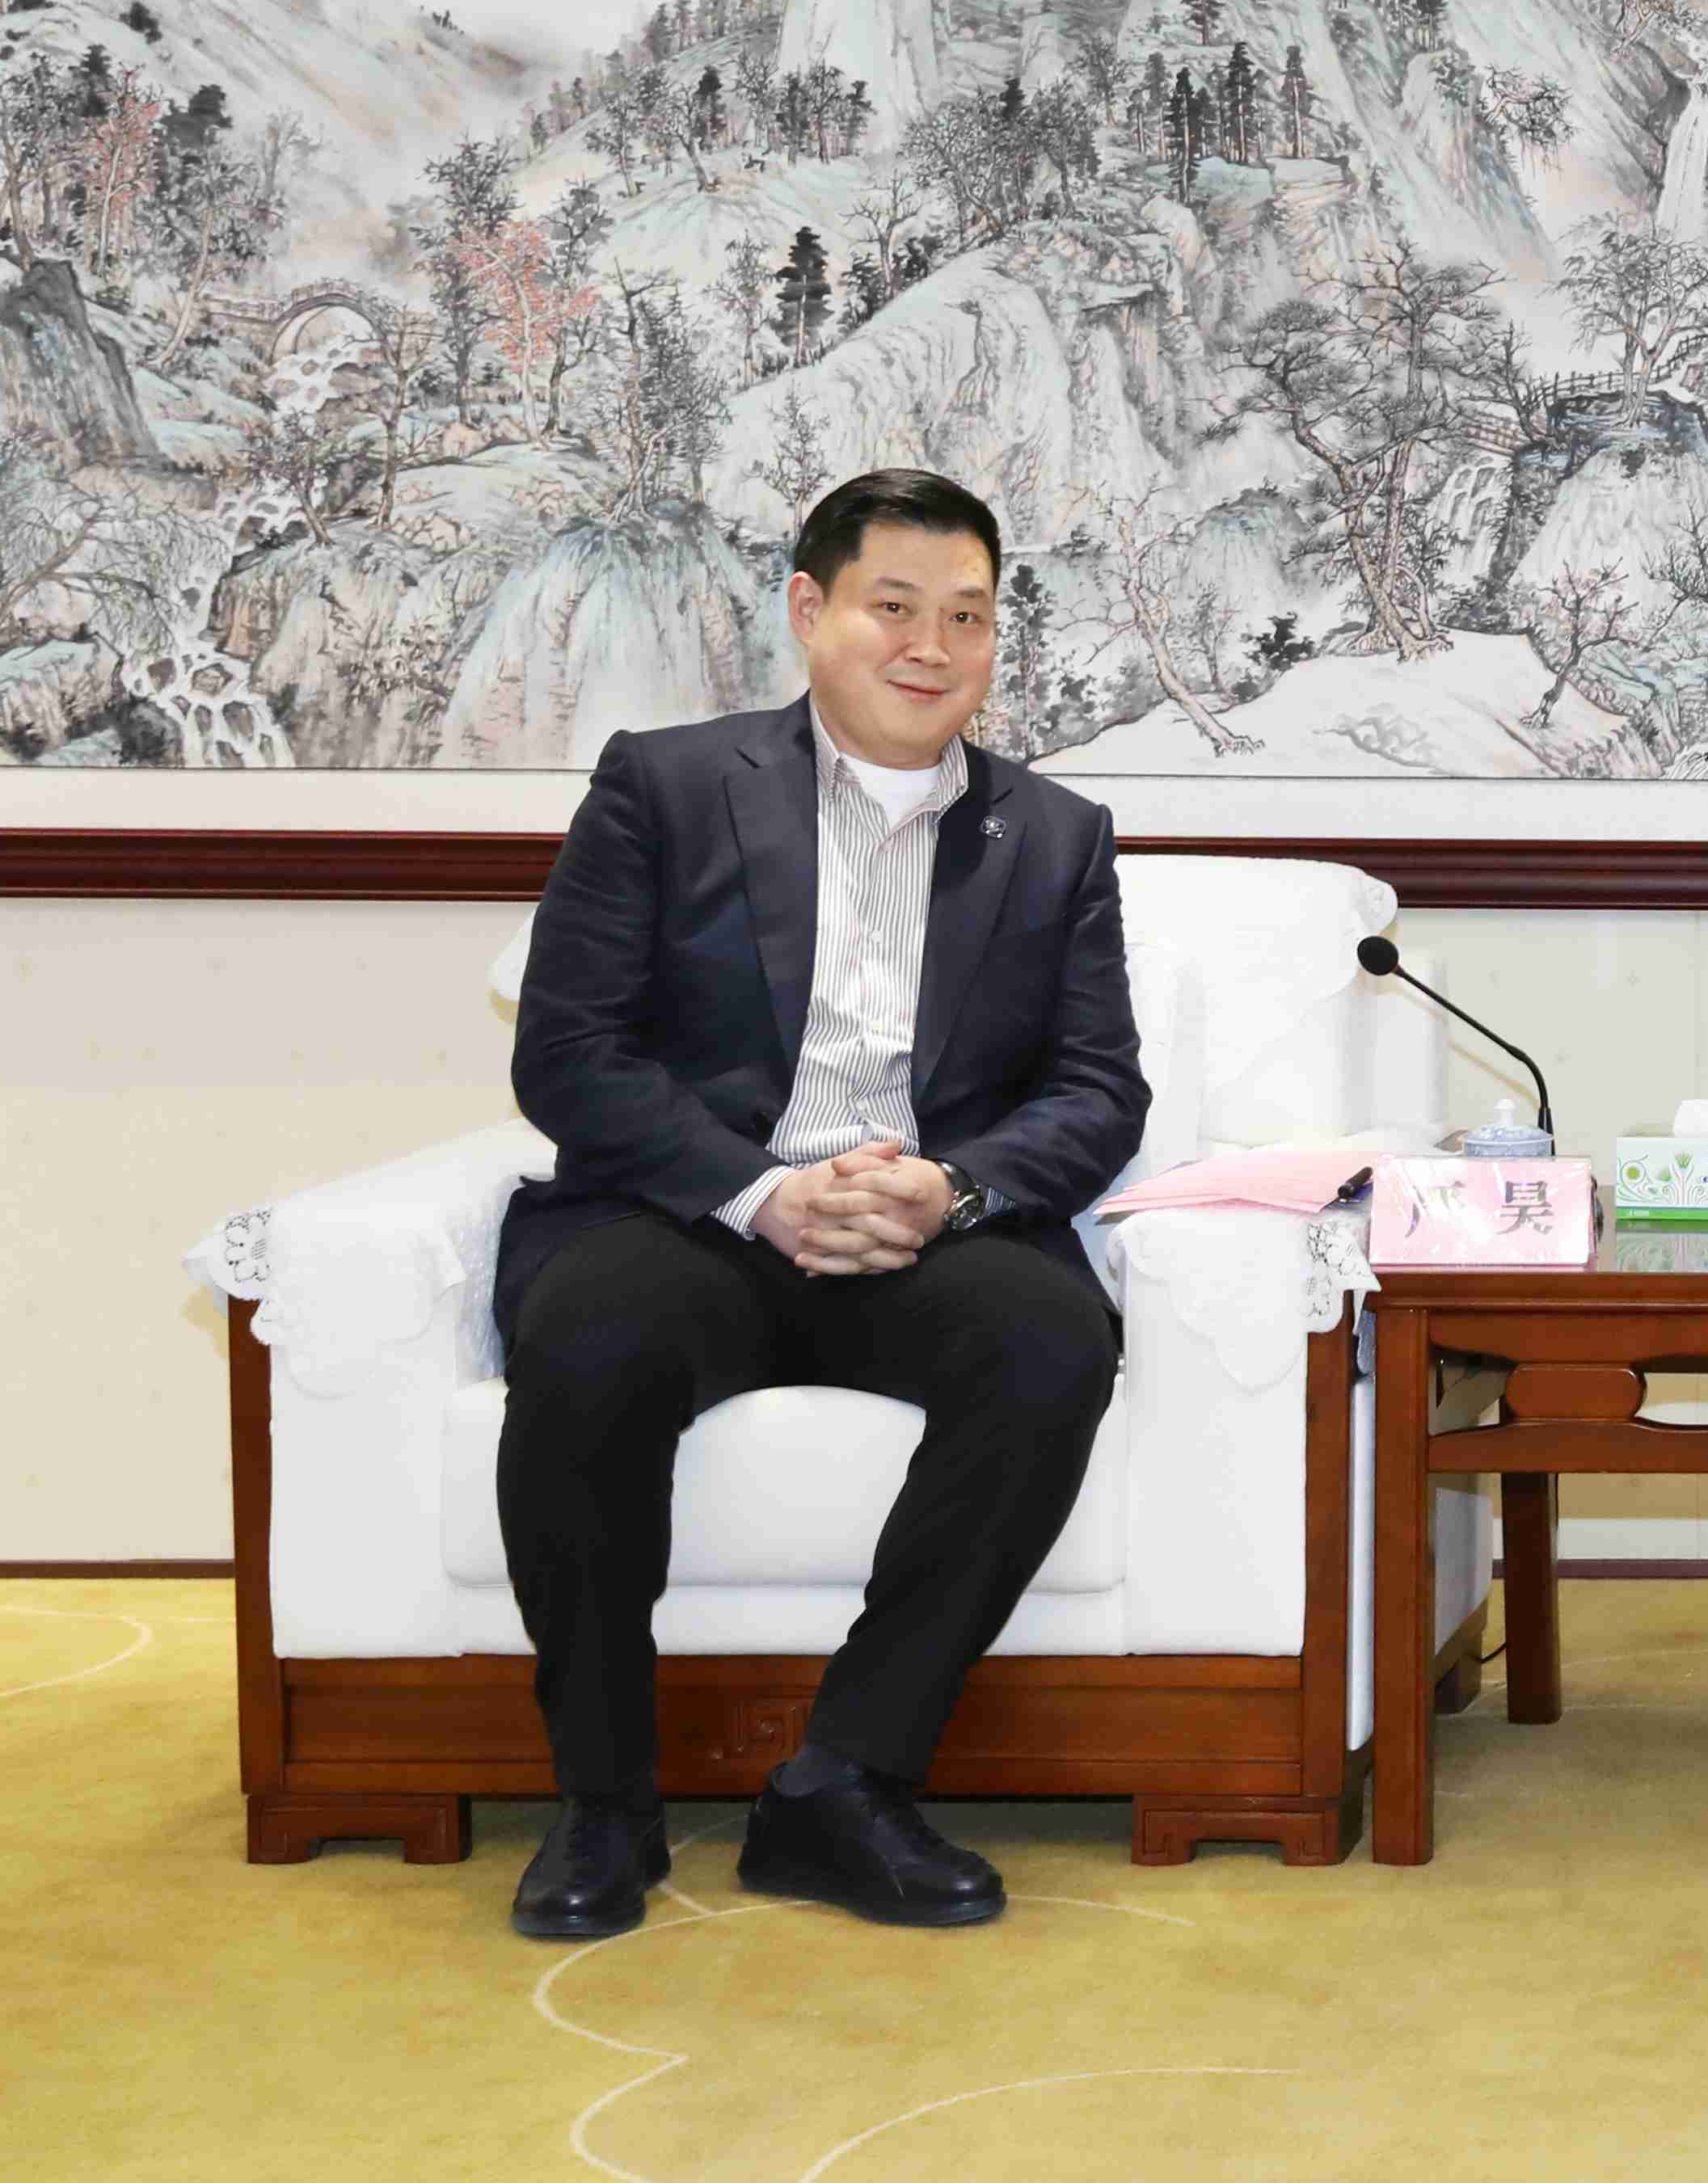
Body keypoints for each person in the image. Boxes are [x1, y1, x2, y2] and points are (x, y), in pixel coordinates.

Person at [493, 469, 1149, 1941]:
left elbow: (1100, 1089)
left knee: (1051, 1340)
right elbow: (569, 1053)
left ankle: (843, 1783)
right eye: (893, 606)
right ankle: (603, 1800)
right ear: (809, 609)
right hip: (692, 1216)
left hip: (923, 1231)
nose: (932, 646)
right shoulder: (664, 787)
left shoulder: (1055, 834)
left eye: (968, 616)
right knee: (587, 1338)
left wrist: (952, 1188)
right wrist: (761, 1193)